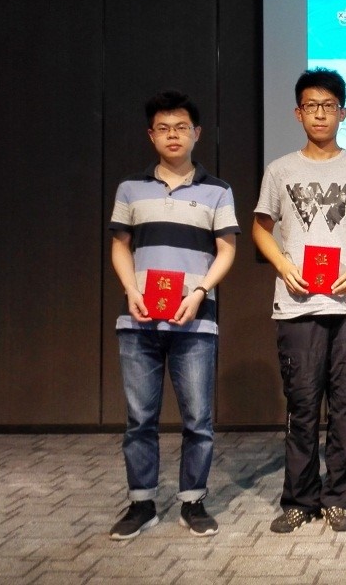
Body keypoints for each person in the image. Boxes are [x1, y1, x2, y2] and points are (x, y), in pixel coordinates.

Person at [251, 68, 346, 534]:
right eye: (312, 106)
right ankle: (299, 499)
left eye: (329, 106)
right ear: (298, 113)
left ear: (343, 113)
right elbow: (260, 229)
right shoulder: (280, 170)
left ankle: (340, 498)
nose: (320, 114)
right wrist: (283, 266)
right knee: (302, 405)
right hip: (298, 304)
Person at [107, 90, 240, 540]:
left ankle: (193, 501)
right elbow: (120, 245)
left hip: (195, 320)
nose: (173, 135)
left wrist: (200, 291)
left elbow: (226, 250)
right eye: (163, 128)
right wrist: (131, 289)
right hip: (139, 319)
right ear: (151, 135)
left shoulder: (217, 190)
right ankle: (141, 502)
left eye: (181, 127)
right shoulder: (130, 188)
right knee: (139, 418)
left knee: (198, 419)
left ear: (196, 133)